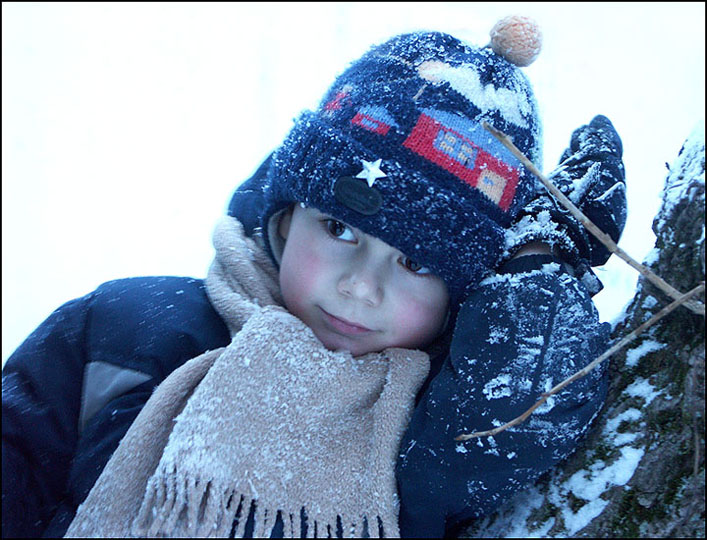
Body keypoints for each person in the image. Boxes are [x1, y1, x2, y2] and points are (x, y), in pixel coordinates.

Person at [2, 16, 627, 538]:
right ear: (283, 214)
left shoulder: (432, 421)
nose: (359, 286)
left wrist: (539, 272)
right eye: (339, 230)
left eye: (416, 263)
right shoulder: (124, 330)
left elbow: (512, 421)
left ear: (466, 290)